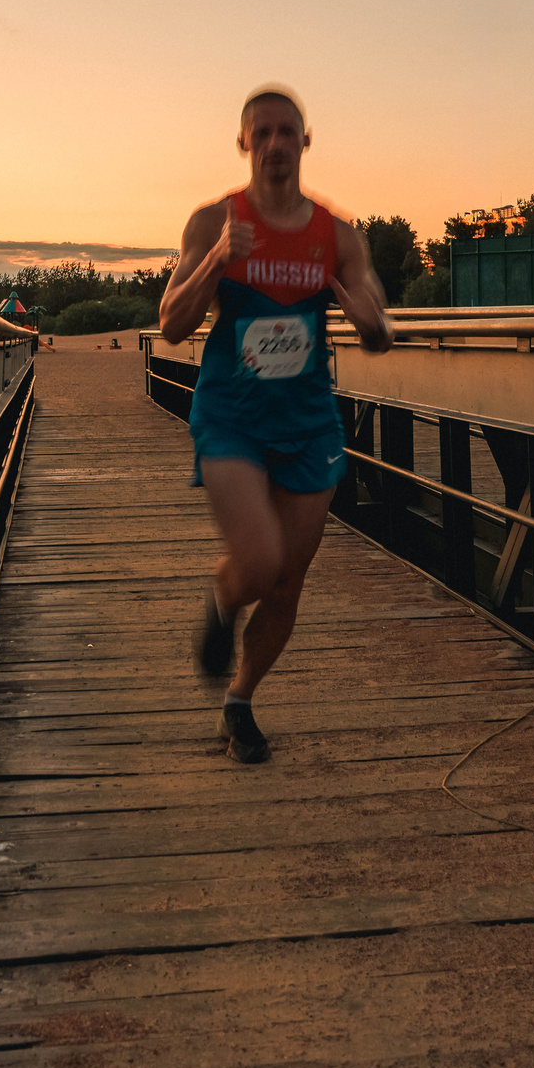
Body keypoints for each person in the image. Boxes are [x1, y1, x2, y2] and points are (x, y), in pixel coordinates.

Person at [158, 85, 394, 762]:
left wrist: (372, 321)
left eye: (286, 131)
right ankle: (223, 599)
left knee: (289, 579)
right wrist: (215, 262)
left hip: (309, 423)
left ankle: (241, 699)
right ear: (243, 143)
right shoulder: (212, 223)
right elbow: (172, 326)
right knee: (259, 560)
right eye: (261, 132)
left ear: (305, 141)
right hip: (232, 414)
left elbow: (378, 328)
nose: (274, 143)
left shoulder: (337, 234)